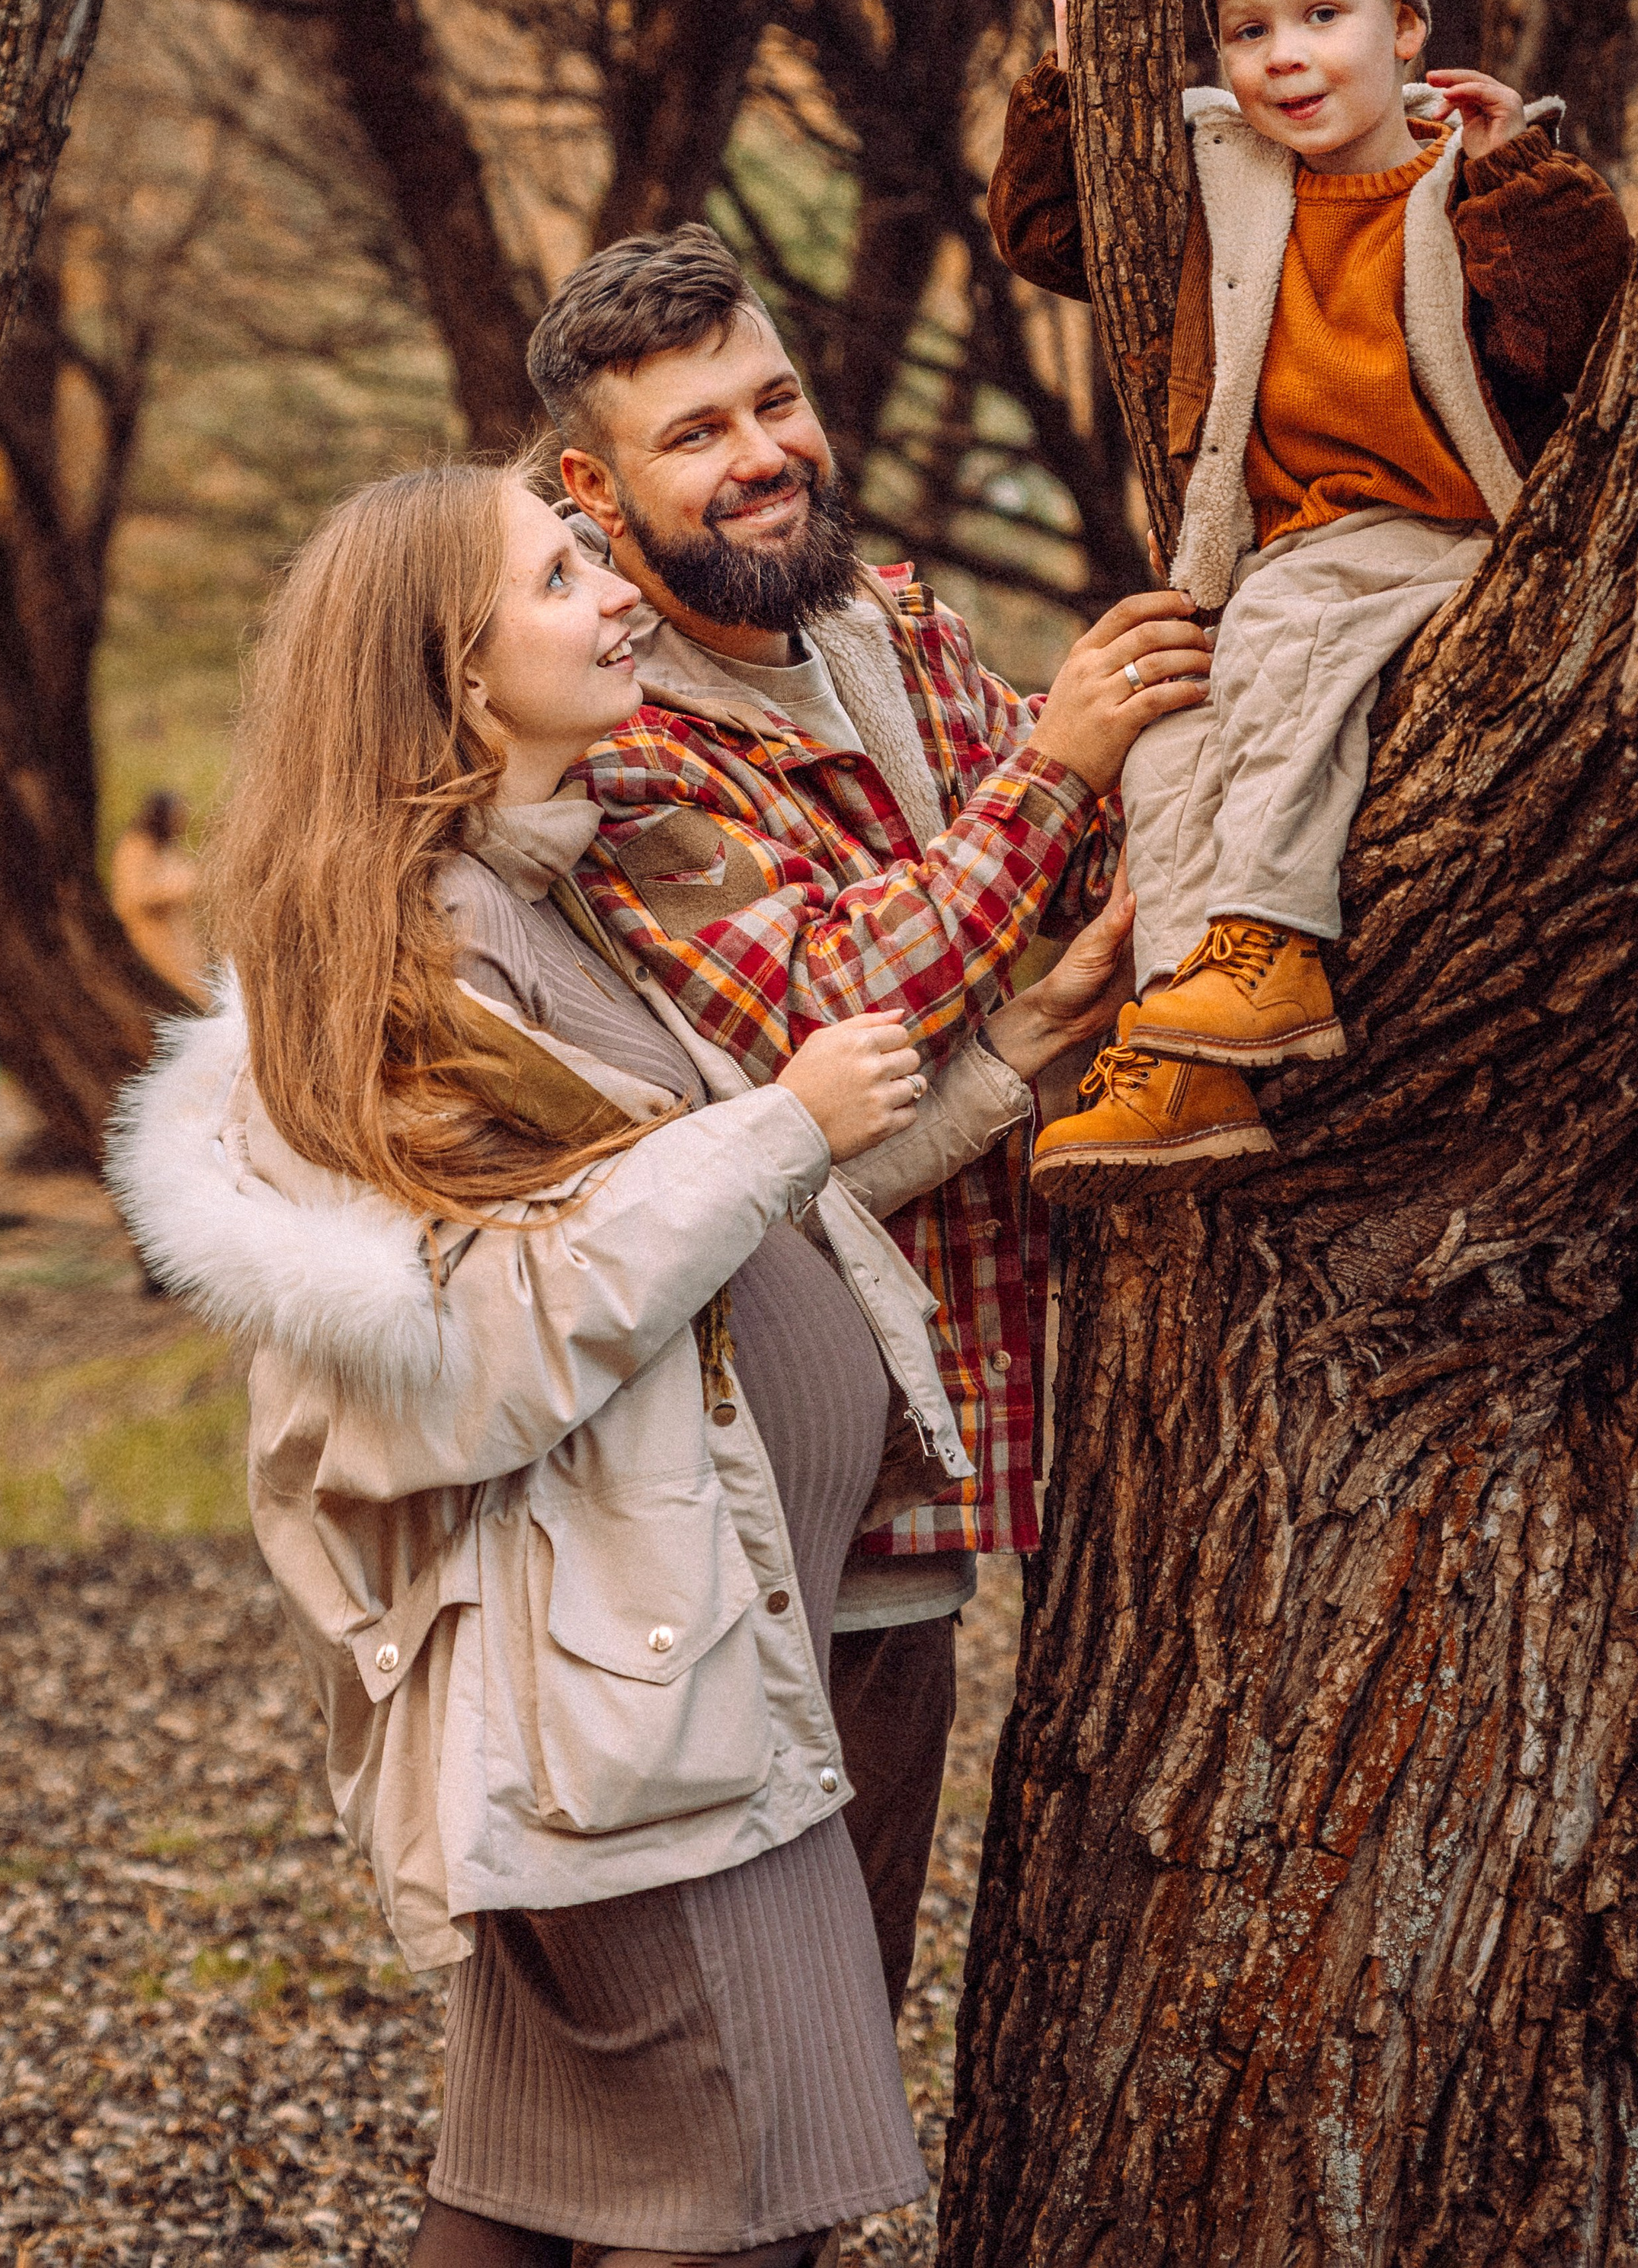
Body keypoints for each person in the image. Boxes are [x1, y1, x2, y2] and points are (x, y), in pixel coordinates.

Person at [107, 461, 1137, 2268]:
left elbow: (709, 1231)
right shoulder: (424, 948)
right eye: (560, 575)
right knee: (732, 2198)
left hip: (662, 1649)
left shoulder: (550, 893)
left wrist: (999, 1063)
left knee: (522, 2192)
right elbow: (477, 1342)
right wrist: (776, 1127)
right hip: (623, 1692)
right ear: (452, 665)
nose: (620, 599)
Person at [530, 226, 1215, 2015]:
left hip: (918, 1483)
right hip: (733, 1504)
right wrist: (1052, 769)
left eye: (773, 399)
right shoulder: (604, 737)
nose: (762, 452)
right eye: (696, 434)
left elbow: (1064, 867)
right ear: (595, 488)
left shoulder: (885, 625)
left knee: (821, 2034)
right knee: (714, 2069)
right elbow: (819, 1002)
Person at [985, 0, 1633, 1192]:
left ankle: (1270, 945)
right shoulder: (1232, 186)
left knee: (1277, 624)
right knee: (1170, 738)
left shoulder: (1467, 183)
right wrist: (1073, 75)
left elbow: (1584, 330)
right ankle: (1188, 1056)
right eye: (1247, 30)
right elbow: (1058, 236)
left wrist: (1518, 168)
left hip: (1449, 538)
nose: (1283, 56)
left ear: (1406, 28)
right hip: (1301, 554)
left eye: (1323, 18)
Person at [110, 790, 205, 1001]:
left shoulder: (169, 848)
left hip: (177, 933)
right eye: (177, 815)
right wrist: (177, 888)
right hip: (150, 934)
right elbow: (131, 897)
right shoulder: (135, 846)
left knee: (197, 990)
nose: (181, 821)